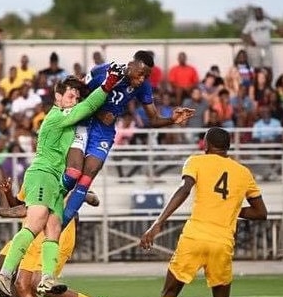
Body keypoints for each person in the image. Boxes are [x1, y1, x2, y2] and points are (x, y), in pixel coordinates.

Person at [0, 69, 125, 297]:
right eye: (70, 96)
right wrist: (108, 83)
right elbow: (88, 107)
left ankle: (47, 279)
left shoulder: (67, 117)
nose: (74, 101)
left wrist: (83, 84)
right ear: (57, 96)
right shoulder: (56, 117)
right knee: (33, 225)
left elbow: (85, 113)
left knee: (53, 230)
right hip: (43, 174)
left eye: (76, 97)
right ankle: (3, 274)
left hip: (55, 181)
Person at [61, 51, 195, 228]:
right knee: (73, 174)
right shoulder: (104, 71)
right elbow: (78, 95)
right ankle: (53, 203)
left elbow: (153, 119)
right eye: (140, 74)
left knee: (90, 172)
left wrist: (171, 119)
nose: (141, 80)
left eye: (146, 77)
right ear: (131, 65)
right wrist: (99, 112)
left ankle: (62, 222)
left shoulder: (144, 86)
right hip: (84, 122)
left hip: (104, 132)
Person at [139, 127, 267, 297]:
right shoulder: (243, 172)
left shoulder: (196, 162)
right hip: (222, 243)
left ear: (206, 145)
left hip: (195, 237)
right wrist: (228, 207)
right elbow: (261, 213)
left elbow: (184, 189)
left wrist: (158, 223)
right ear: (228, 147)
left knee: (169, 293)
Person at [0, 180, 106, 297]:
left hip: (57, 238)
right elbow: (21, 207)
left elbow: (95, 200)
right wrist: (7, 194)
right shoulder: (34, 177)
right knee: (19, 284)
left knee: (36, 284)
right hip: (31, 236)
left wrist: (79, 195)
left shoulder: (66, 179)